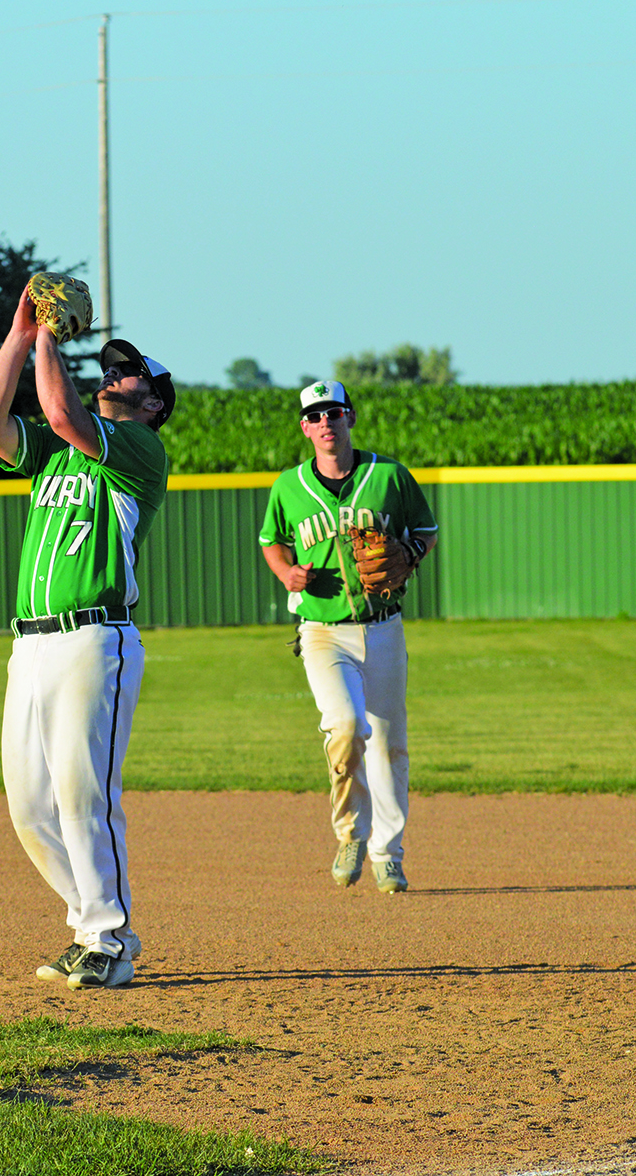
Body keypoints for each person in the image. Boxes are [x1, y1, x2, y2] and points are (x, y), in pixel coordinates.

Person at [0, 283, 174, 990]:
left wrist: (52, 335)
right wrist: (21, 334)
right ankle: (94, 925)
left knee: (85, 796)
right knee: (30, 805)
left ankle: (108, 941)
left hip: (94, 641)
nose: (113, 374)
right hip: (29, 645)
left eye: (130, 372)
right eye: (110, 367)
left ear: (154, 404)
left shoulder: (139, 450)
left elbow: (60, 411)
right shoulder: (58, 456)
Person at [258, 379, 438, 894]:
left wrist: (411, 555)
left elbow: (425, 531)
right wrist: (287, 573)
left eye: (333, 412)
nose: (325, 423)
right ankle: (351, 833)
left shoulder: (389, 475)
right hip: (322, 631)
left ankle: (388, 855)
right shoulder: (289, 486)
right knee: (345, 725)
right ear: (304, 428)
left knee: (389, 747)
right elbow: (272, 541)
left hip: (384, 628)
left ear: (350, 418)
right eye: (315, 416)